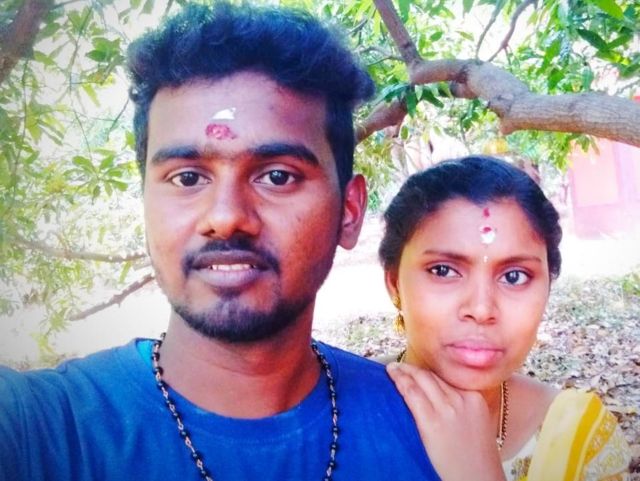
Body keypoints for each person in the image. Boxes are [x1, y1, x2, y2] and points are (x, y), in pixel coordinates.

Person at [0, 3, 440, 481]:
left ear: (349, 212)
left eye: (277, 176)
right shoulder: (40, 429)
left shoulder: (432, 431)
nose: (226, 218)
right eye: (188, 178)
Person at [379, 155, 631, 481]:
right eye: (443, 270)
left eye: (514, 276)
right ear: (394, 283)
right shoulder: (334, 414)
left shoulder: (579, 438)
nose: (482, 309)